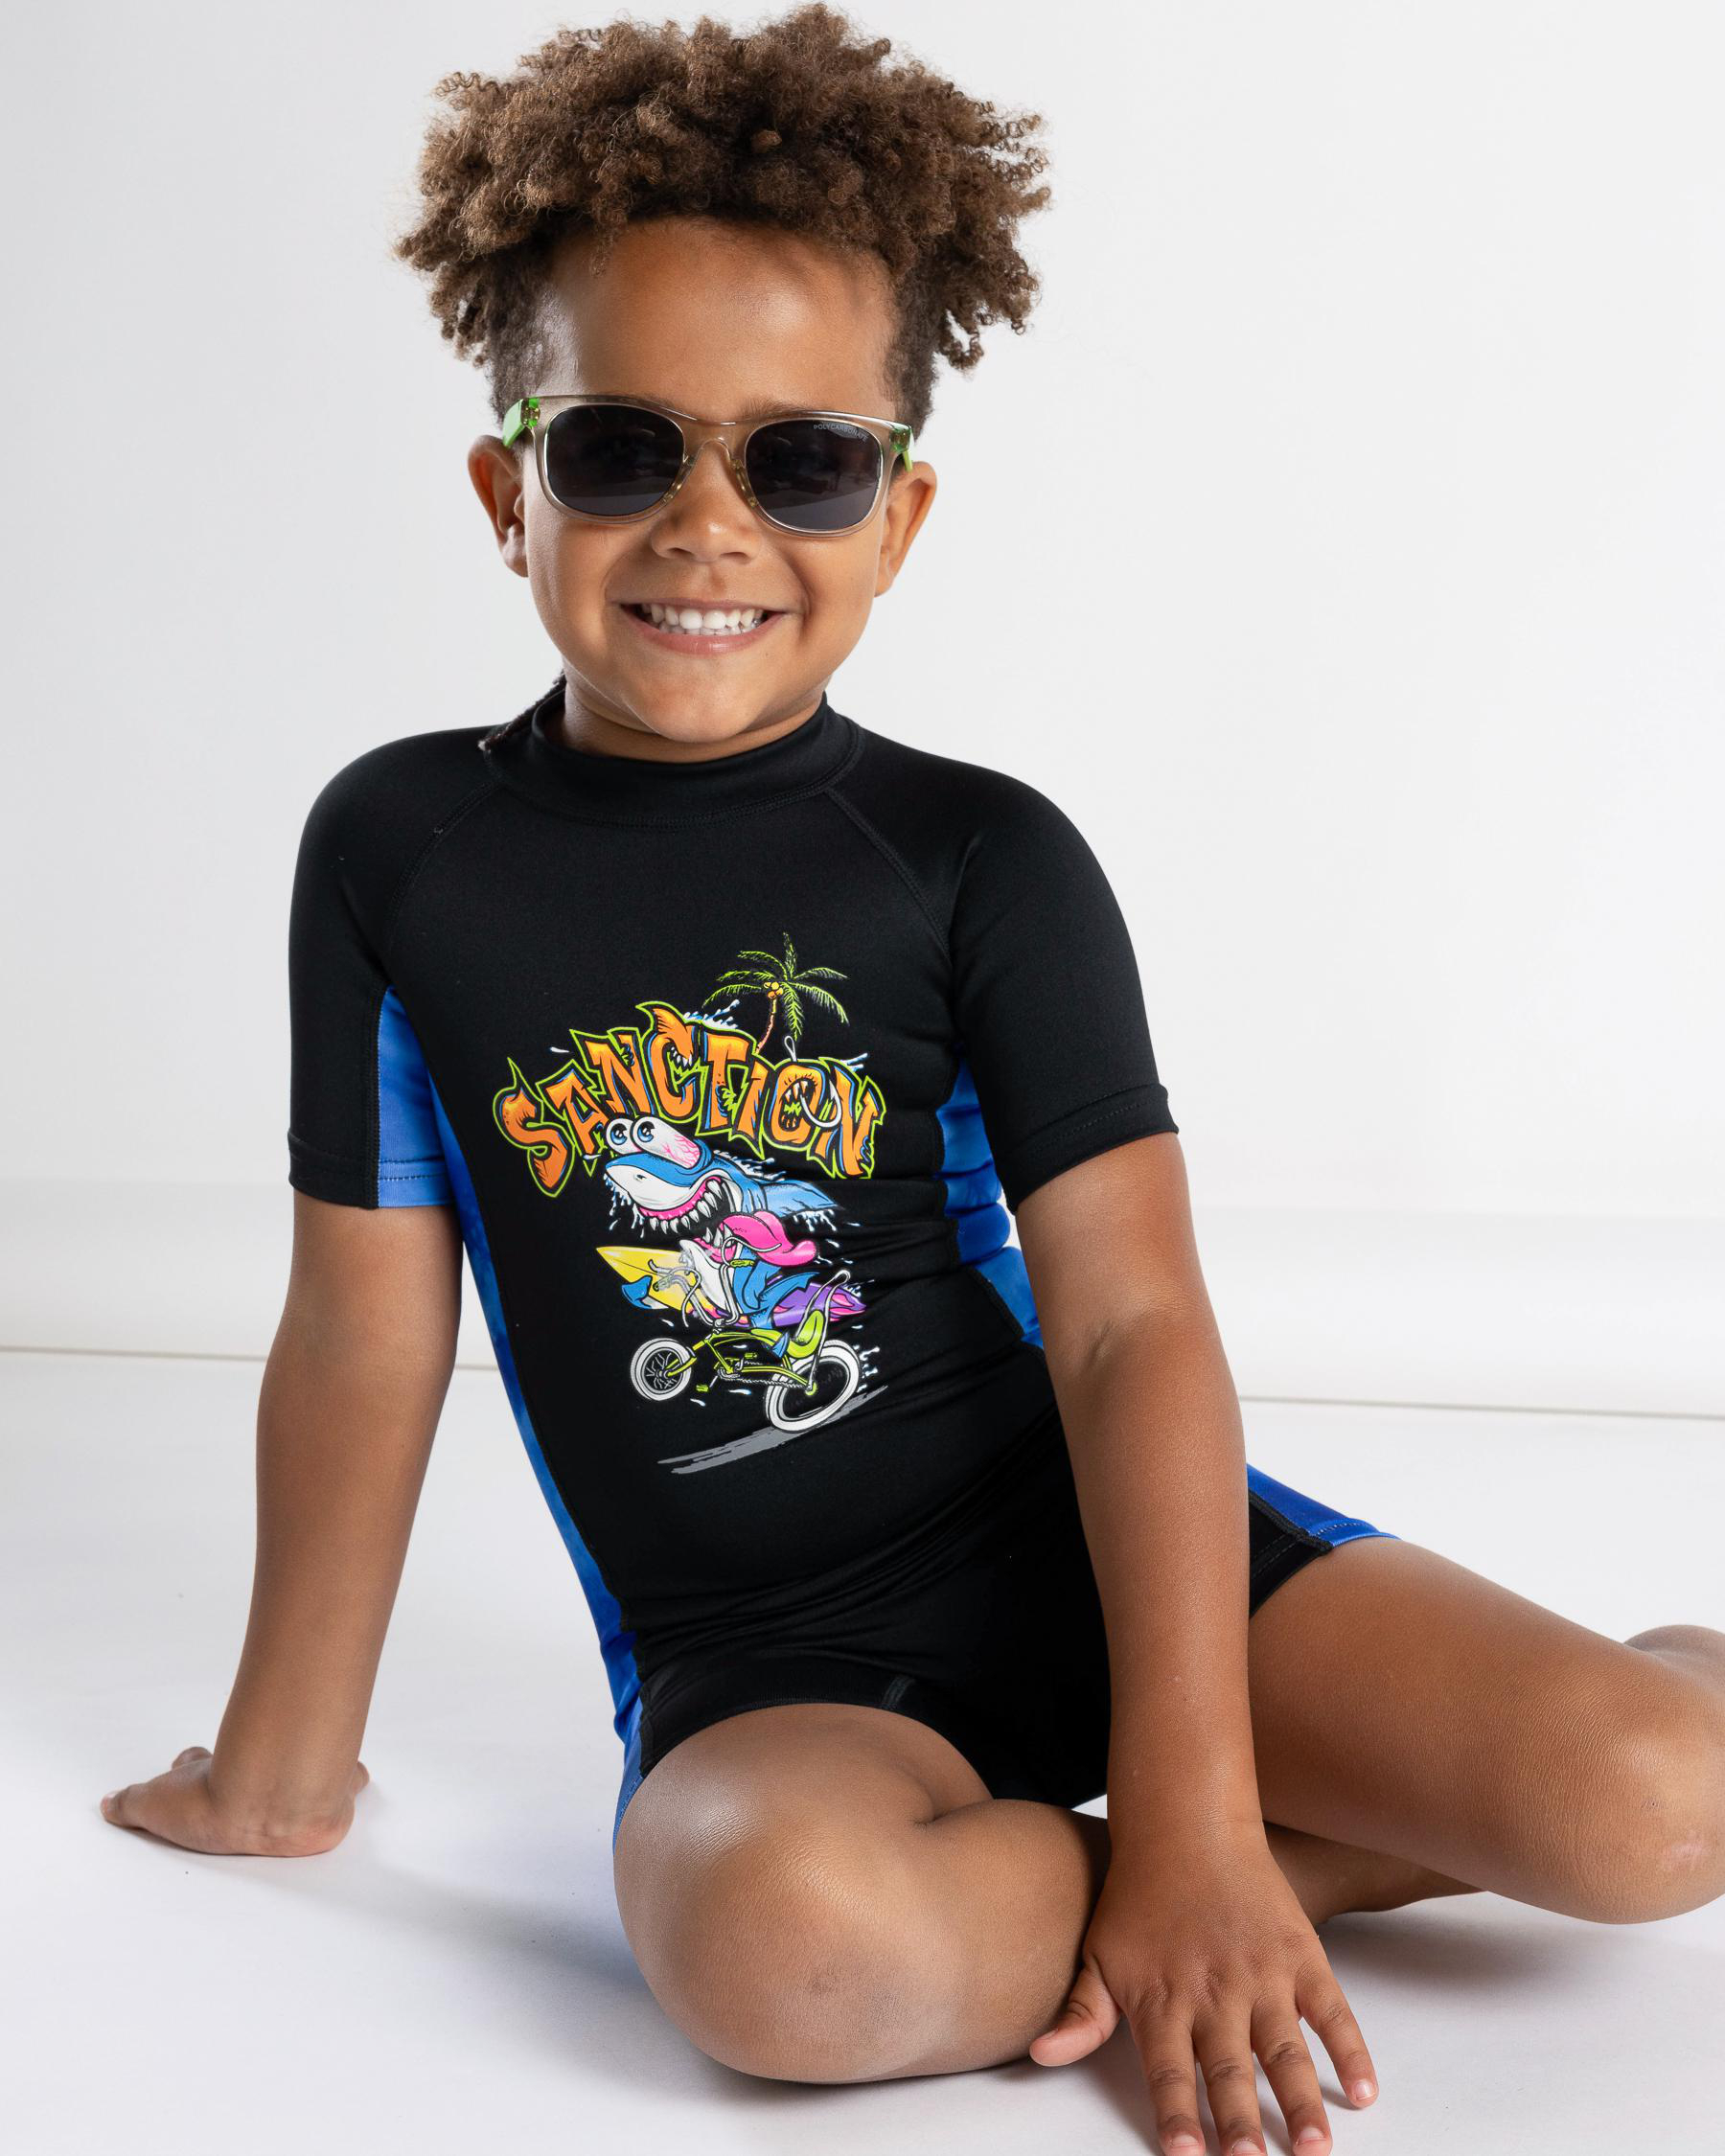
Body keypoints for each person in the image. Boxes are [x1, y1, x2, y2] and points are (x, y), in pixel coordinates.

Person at [99, 10, 1725, 2153]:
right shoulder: (402, 849)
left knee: (1653, 1811)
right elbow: (360, 1330)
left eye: (802, 462)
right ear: (509, 492)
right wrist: (277, 1774)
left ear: (898, 515)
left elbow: (1131, 1329)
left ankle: (1258, 1844)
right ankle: (1186, 1880)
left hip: (1098, 1548)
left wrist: (1200, 1812)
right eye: (622, 450)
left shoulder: (978, 857)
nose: (709, 527)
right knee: (785, 1957)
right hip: (771, 1663)